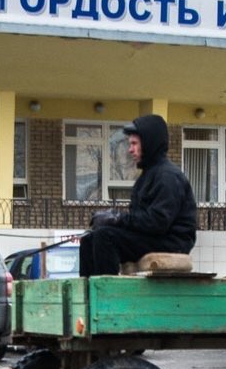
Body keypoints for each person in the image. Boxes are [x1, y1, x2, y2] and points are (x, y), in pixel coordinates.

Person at [79, 114, 197, 276]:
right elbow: (139, 221)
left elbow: (157, 222)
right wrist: (113, 220)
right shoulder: (147, 176)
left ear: (149, 142)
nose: (130, 149)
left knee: (105, 237)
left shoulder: (167, 176)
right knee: (89, 239)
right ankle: (87, 290)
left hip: (172, 241)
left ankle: (106, 289)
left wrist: (117, 219)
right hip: (154, 237)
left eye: (134, 144)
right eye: (130, 144)